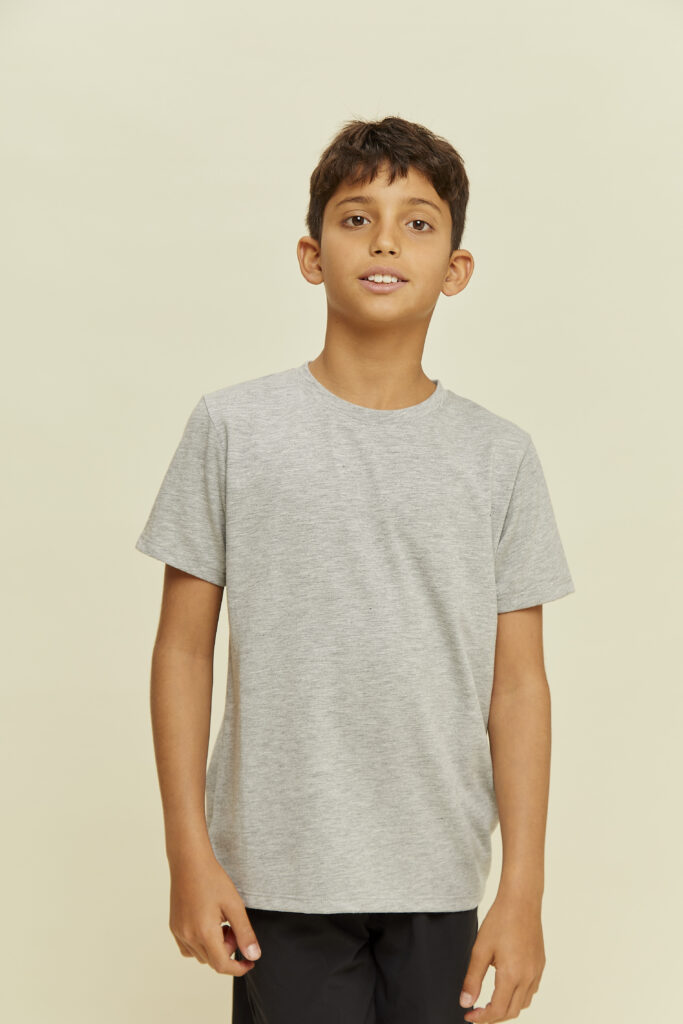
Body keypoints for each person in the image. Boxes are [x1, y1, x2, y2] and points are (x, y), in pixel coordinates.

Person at [135, 116, 576, 1024]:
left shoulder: (498, 456)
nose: (384, 241)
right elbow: (182, 650)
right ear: (311, 255)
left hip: (440, 874)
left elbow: (518, 685)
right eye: (354, 218)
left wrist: (522, 890)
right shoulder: (233, 428)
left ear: (455, 268)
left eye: (416, 222)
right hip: (276, 873)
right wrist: (188, 849)